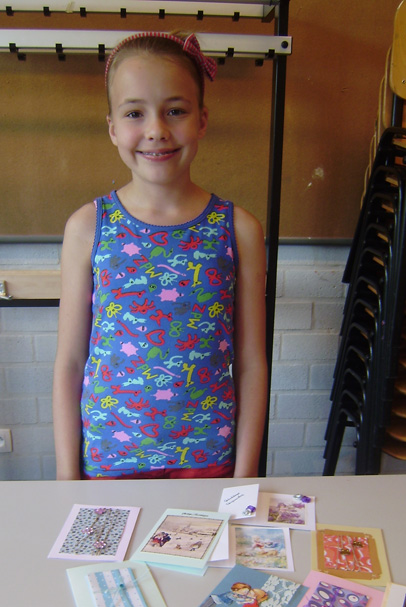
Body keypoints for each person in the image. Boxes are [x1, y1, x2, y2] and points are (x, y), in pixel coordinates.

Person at [53, 31, 267, 480]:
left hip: (207, 460)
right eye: (135, 113)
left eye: (175, 111)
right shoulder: (87, 228)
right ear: (113, 127)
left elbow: (250, 364)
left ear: (202, 120)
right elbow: (70, 363)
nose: (156, 130)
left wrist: (245, 477)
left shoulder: (239, 230)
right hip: (110, 462)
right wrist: (66, 481)